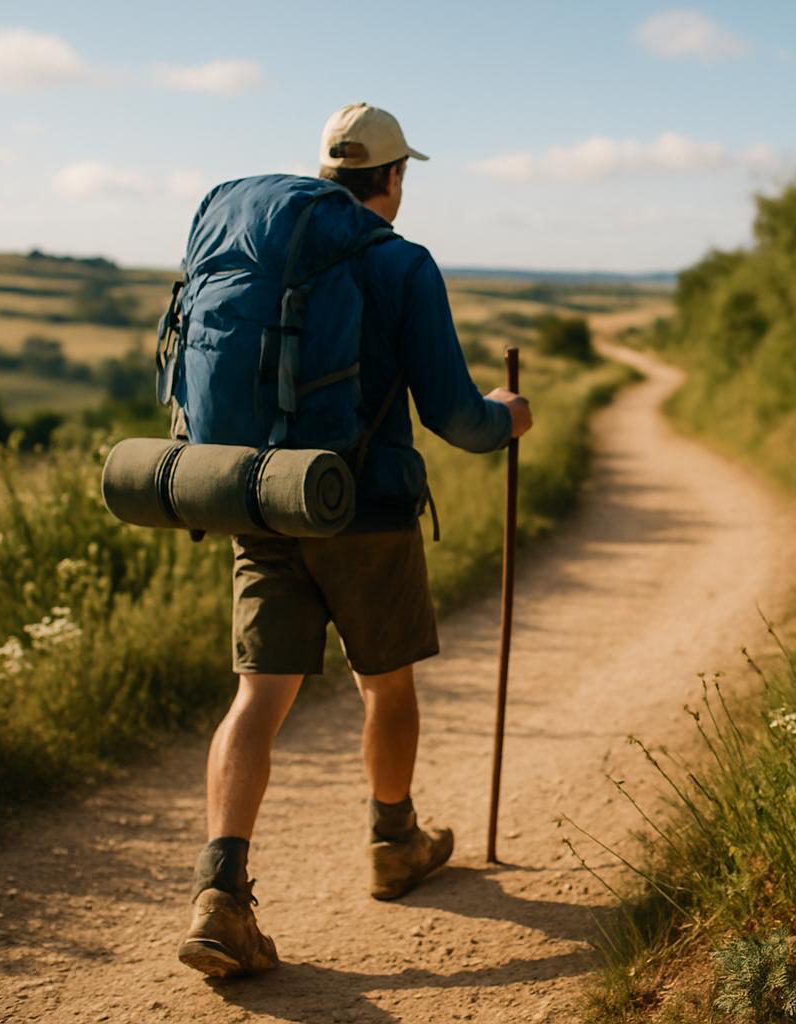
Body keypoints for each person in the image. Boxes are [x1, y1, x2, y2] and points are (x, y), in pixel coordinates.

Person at [176, 103, 533, 979]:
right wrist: (506, 419)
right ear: (394, 178)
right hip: (362, 509)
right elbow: (453, 413)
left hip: (260, 498)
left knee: (256, 699)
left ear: (329, 172)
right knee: (386, 681)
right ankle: (394, 841)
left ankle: (221, 895)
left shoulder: (265, 240)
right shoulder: (400, 263)